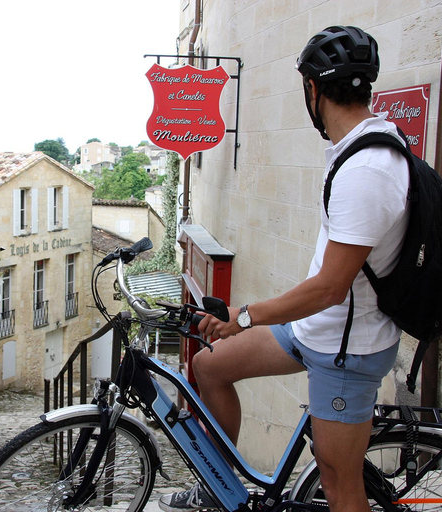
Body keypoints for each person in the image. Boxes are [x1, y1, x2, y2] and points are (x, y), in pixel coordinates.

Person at [159, 26, 410, 512]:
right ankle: (219, 490)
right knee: (209, 365)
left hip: (346, 350)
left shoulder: (367, 171)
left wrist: (245, 316)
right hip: (315, 330)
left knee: (339, 483)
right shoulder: (361, 147)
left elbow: (331, 288)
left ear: (312, 89)